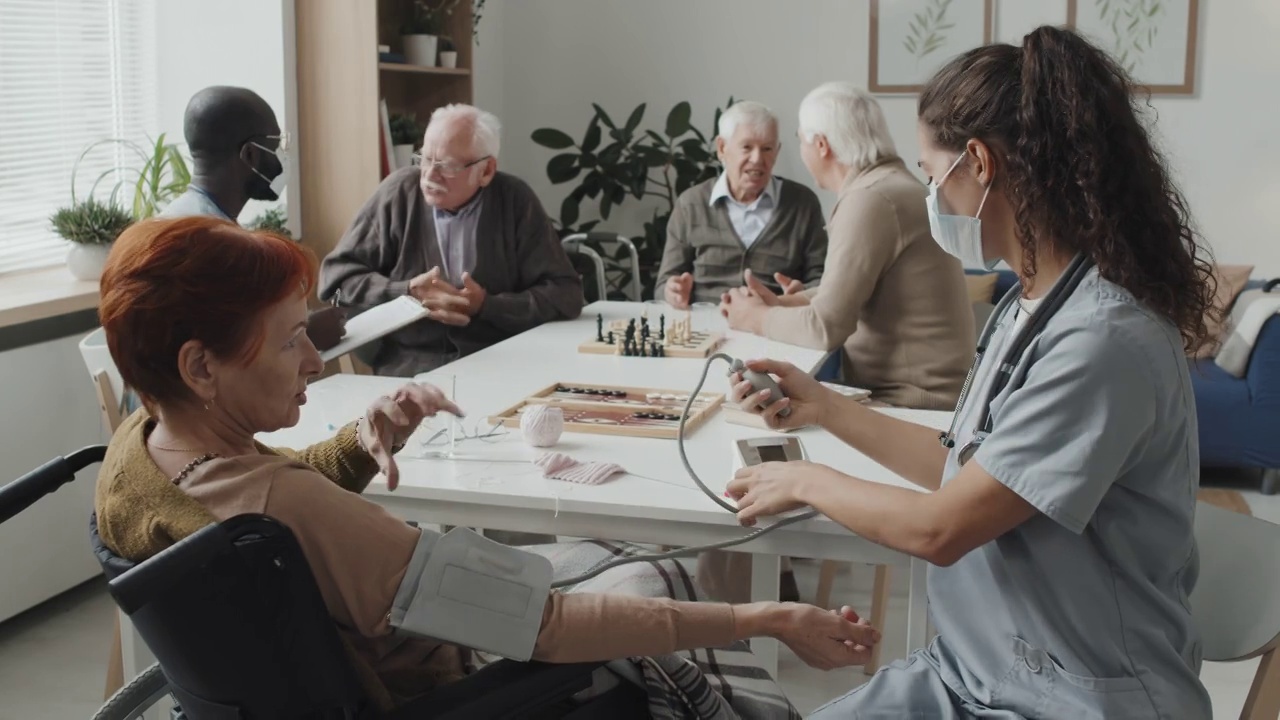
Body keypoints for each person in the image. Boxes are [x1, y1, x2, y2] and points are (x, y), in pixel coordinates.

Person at [94, 216, 880, 712]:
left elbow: (271, 502)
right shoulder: (287, 508)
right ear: (200, 367)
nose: (314, 359)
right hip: (446, 682)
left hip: (341, 650)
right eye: (291, 337)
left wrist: (361, 441)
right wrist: (768, 616)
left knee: (614, 560)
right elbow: (543, 625)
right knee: (653, 572)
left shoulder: (141, 456)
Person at [725, 27, 1216, 719]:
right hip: (977, 673)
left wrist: (800, 477)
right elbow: (968, 468)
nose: (931, 197)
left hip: (1080, 696)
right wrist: (824, 409)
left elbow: (941, 529)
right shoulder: (1030, 304)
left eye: (933, 176)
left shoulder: (1103, 342)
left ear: (979, 164)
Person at [719, 82, 973, 410]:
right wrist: (786, 304)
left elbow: (824, 328)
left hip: (912, 404)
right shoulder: (890, 187)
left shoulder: (871, 200)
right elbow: (858, 291)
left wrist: (754, 317)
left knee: (754, 412)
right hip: (922, 397)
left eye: (799, 140)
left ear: (821, 145)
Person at [319, 104, 583, 377]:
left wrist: (487, 305)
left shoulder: (515, 201)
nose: (430, 175)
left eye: (447, 165)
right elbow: (334, 283)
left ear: (486, 171)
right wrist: (406, 292)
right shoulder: (397, 195)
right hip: (410, 370)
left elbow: (566, 295)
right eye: (425, 158)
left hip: (501, 364)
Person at [163, 85, 345, 351]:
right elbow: (227, 354)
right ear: (251, 155)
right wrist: (304, 337)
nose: (283, 158)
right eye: (277, 146)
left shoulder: (173, 221)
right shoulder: (216, 247)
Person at [656, 100, 827, 308]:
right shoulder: (690, 204)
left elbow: (822, 280)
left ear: (777, 151)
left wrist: (801, 295)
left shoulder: (802, 203)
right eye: (747, 147)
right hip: (706, 328)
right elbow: (664, 284)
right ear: (722, 148)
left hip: (774, 326)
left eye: (767, 148)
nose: (757, 159)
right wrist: (672, 291)